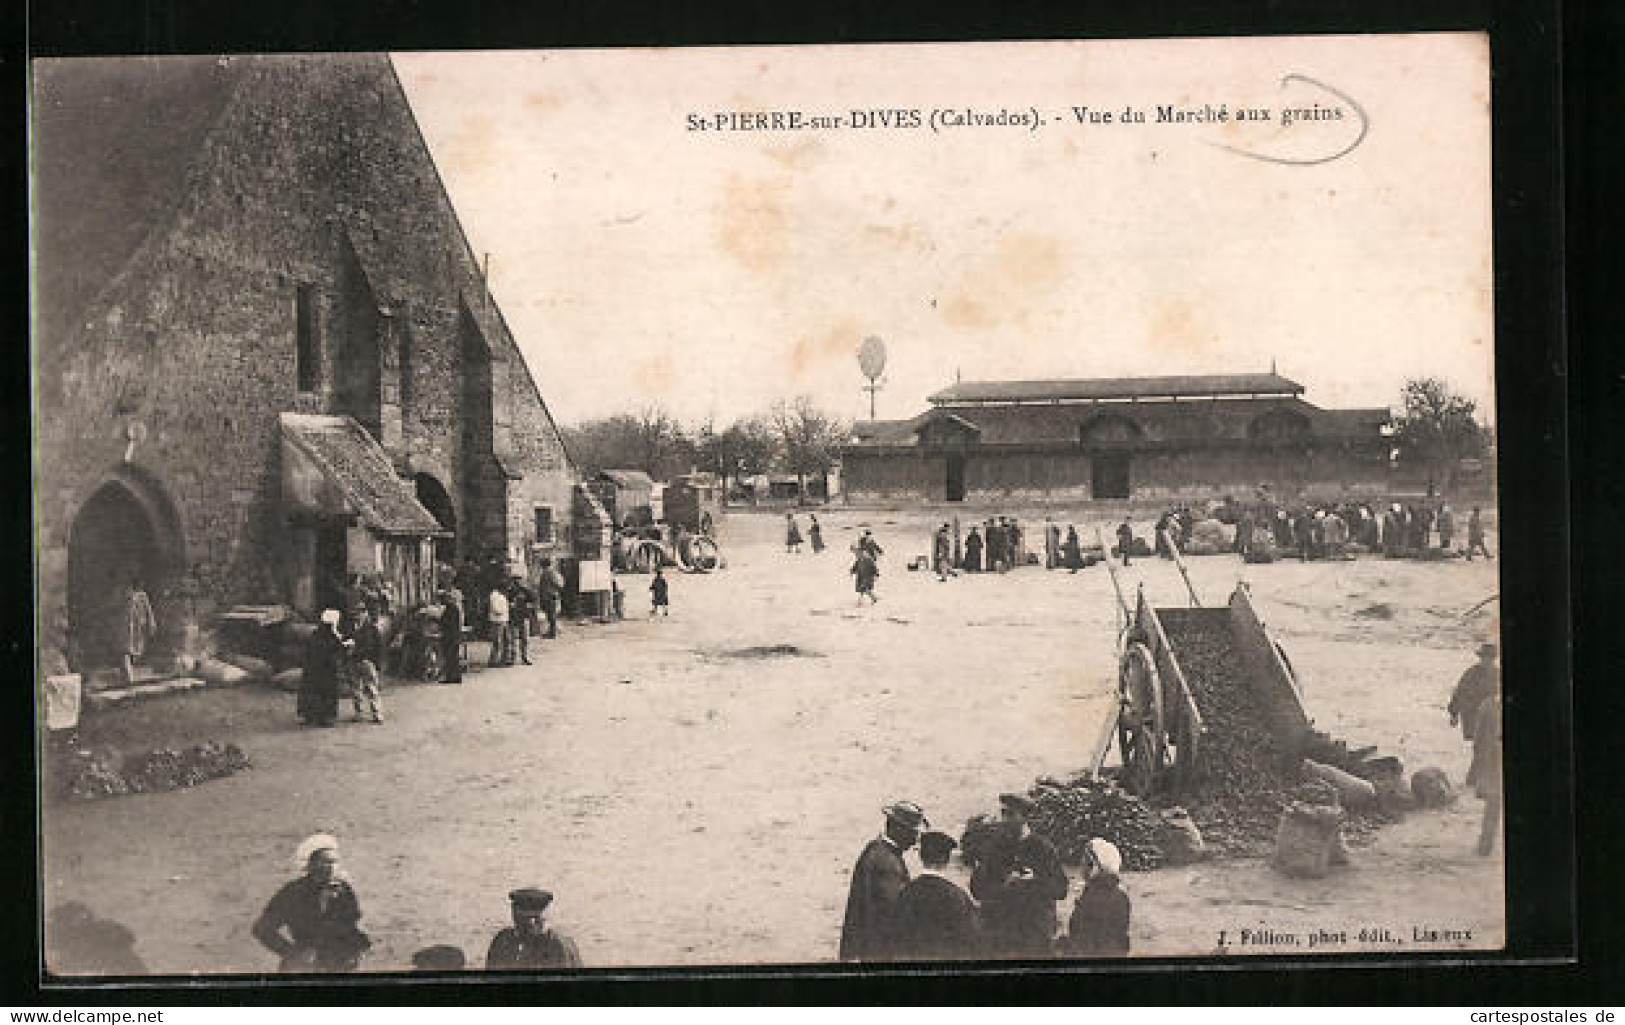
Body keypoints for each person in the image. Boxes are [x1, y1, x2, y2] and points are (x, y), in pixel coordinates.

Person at [252, 834, 371, 973]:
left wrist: (358, 949)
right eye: (326, 861)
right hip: (303, 968)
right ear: (311, 864)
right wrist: (292, 952)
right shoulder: (293, 892)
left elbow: (354, 924)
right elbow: (262, 928)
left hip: (339, 965)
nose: (332, 867)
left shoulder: (344, 890)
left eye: (335, 861)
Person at [969, 793, 1069, 956]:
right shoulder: (994, 847)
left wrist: (1034, 881)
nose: (1004, 819)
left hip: (1034, 933)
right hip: (1001, 932)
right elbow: (977, 889)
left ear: (1025, 817)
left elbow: (1061, 889)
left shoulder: (1043, 849)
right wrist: (1005, 885)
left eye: (1010, 814)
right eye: (1003, 813)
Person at [839, 800, 926, 961]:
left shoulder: (875, 849)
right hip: (881, 950)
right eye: (912, 832)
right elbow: (895, 910)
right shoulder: (887, 862)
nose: (916, 839)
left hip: (867, 947)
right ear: (898, 829)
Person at [889, 830, 981, 960]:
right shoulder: (956, 896)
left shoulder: (906, 892)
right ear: (946, 859)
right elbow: (971, 939)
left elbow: (896, 935)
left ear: (921, 857)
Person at [1060, 838, 1131, 956]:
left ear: (1094, 866)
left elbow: (1085, 946)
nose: (1081, 864)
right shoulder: (1120, 895)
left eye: (1085, 860)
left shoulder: (1093, 900)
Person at [485, 888, 583, 970]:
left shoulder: (558, 946)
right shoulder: (502, 941)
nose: (530, 924)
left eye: (534, 919)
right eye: (521, 921)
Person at [1466, 691, 1502, 856]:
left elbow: (1478, 739)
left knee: (1493, 804)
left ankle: (1485, 846)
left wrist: (1477, 764)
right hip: (1495, 759)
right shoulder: (1487, 706)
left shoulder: (1488, 706)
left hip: (1493, 760)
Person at [298, 610, 347, 727]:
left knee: (312, 691)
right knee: (326, 691)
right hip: (326, 669)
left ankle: (310, 715)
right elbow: (334, 650)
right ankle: (325, 717)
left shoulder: (316, 634)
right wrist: (343, 647)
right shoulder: (330, 635)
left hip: (312, 668)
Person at [341, 604, 385, 724]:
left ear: (365, 614)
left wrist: (377, 663)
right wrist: (346, 646)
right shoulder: (350, 627)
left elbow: (378, 647)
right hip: (353, 661)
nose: (358, 616)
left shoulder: (372, 629)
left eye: (360, 613)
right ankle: (358, 712)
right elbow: (344, 640)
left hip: (366, 660)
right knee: (355, 688)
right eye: (355, 614)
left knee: (371, 688)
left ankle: (377, 713)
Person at [1448, 642, 1500, 741]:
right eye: (1484, 657)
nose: (1487, 661)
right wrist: (1454, 714)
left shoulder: (1497, 674)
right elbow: (1459, 692)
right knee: (1479, 745)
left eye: (1490, 658)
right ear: (1481, 658)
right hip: (1472, 715)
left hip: (1491, 717)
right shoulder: (1471, 673)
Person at [121, 576, 157, 685]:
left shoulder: (143, 596)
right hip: (130, 623)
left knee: (139, 642)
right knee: (130, 643)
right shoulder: (129, 595)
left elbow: (148, 609)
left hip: (139, 623)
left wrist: (151, 621)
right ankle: (130, 664)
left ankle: (135, 661)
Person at [507, 576, 536, 665]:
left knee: (525, 639)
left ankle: (525, 656)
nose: (517, 583)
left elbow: (533, 600)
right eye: (515, 581)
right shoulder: (510, 592)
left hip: (524, 617)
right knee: (512, 639)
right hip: (513, 617)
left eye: (519, 580)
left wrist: (529, 606)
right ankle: (513, 658)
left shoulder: (526, 591)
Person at [439, 589, 464, 684]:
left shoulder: (450, 608)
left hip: (450, 636)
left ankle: (451, 676)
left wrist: (441, 622)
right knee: (453, 656)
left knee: (450, 656)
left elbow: (448, 622)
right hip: (454, 635)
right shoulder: (454, 608)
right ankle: (455, 676)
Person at [486, 584, 512, 667]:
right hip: (497, 621)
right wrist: (504, 610)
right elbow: (496, 609)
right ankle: (493, 660)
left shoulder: (502, 595)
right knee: (497, 641)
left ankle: (504, 659)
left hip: (504, 620)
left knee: (506, 640)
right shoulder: (494, 596)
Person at [537, 558, 563, 639]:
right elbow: (560, 585)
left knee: (551, 616)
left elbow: (559, 584)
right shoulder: (551, 573)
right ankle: (552, 632)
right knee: (551, 615)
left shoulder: (549, 573)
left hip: (549, 597)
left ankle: (552, 633)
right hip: (550, 597)